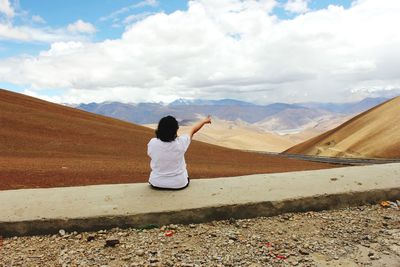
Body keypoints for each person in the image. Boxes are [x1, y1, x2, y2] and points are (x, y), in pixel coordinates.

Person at [147, 115, 212, 190]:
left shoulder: (153, 143)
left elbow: (151, 154)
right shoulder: (181, 142)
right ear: (175, 130)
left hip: (156, 183)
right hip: (178, 184)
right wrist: (204, 121)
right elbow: (193, 130)